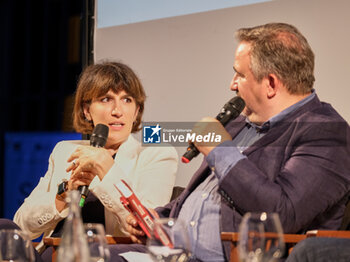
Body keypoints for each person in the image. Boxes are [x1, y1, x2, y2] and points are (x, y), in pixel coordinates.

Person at [105, 22, 350, 262]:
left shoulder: (327, 133)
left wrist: (220, 150)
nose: (232, 84)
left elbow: (282, 215)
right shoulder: (238, 124)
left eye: (240, 75)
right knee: (86, 253)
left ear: (271, 84)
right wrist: (155, 218)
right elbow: (196, 198)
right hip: (172, 254)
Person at [12, 62, 178, 256]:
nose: (117, 110)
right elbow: (21, 225)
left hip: (105, 256)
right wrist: (62, 196)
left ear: (137, 111)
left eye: (127, 100)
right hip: (54, 254)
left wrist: (106, 169)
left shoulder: (157, 154)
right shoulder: (64, 150)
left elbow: (147, 228)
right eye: (106, 99)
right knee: (3, 228)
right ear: (86, 109)